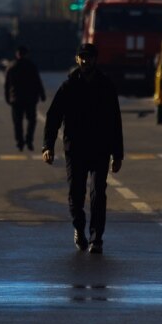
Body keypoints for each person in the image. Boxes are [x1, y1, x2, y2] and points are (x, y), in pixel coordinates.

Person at [42, 43, 123, 253]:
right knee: (76, 194)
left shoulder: (105, 86)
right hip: (75, 149)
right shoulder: (68, 86)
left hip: (100, 148)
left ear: (95, 59)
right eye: (82, 57)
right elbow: (53, 117)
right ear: (77, 60)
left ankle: (97, 238)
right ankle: (79, 228)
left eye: (89, 57)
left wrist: (118, 154)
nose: (85, 61)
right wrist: (47, 146)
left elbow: (115, 121)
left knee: (98, 193)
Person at [4, 45, 46, 151]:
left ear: (17, 54)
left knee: (17, 122)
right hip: (30, 98)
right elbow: (37, 82)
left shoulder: (11, 66)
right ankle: (29, 140)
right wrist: (42, 94)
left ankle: (20, 142)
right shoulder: (31, 66)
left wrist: (7, 97)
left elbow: (7, 84)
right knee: (31, 120)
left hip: (16, 99)